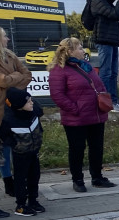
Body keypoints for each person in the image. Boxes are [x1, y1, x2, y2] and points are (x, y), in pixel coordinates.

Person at [48, 37, 114, 192]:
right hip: (76, 118)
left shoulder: (85, 66)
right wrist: (75, 109)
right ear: (69, 51)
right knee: (77, 149)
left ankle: (97, 177)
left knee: (96, 147)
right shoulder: (59, 70)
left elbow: (99, 84)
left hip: (96, 115)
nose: (83, 51)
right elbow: (57, 95)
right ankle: (77, 180)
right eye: (79, 48)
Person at [0, 24, 31, 216]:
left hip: (13, 109)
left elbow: (27, 75)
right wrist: (12, 79)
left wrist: (10, 78)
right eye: (4, 36)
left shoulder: (10, 55)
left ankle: (16, 185)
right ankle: (8, 181)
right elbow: (2, 81)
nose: (8, 39)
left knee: (12, 147)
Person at [0, 88, 45, 215]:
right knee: (20, 178)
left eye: (31, 100)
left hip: (34, 151)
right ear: (19, 106)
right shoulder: (9, 120)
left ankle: (33, 200)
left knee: (34, 176)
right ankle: (20, 205)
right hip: (20, 154)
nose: (32, 103)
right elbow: (4, 136)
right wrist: (14, 144)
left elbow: (39, 112)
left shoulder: (34, 111)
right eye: (28, 101)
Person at [88, 0, 119, 111]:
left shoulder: (105, 1)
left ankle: (114, 101)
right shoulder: (97, 0)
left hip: (111, 41)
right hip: (103, 40)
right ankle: (106, 102)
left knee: (112, 73)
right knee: (105, 73)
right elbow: (115, 14)